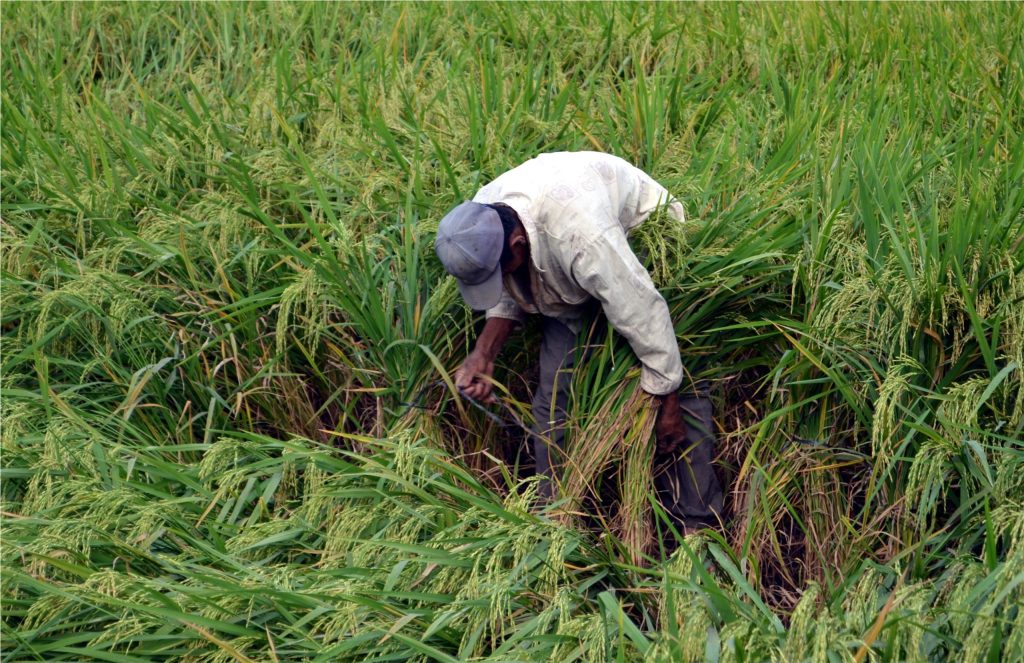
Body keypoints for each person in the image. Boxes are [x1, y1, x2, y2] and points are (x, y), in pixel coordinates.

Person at [434, 151, 723, 532]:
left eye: (499, 271)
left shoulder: (583, 236)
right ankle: (552, 520)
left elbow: (643, 311)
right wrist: (483, 353)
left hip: (638, 247)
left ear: (518, 245)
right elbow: (505, 283)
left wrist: (665, 397)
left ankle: (697, 523)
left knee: (681, 393)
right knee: (552, 403)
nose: (498, 279)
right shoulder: (483, 216)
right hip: (563, 282)